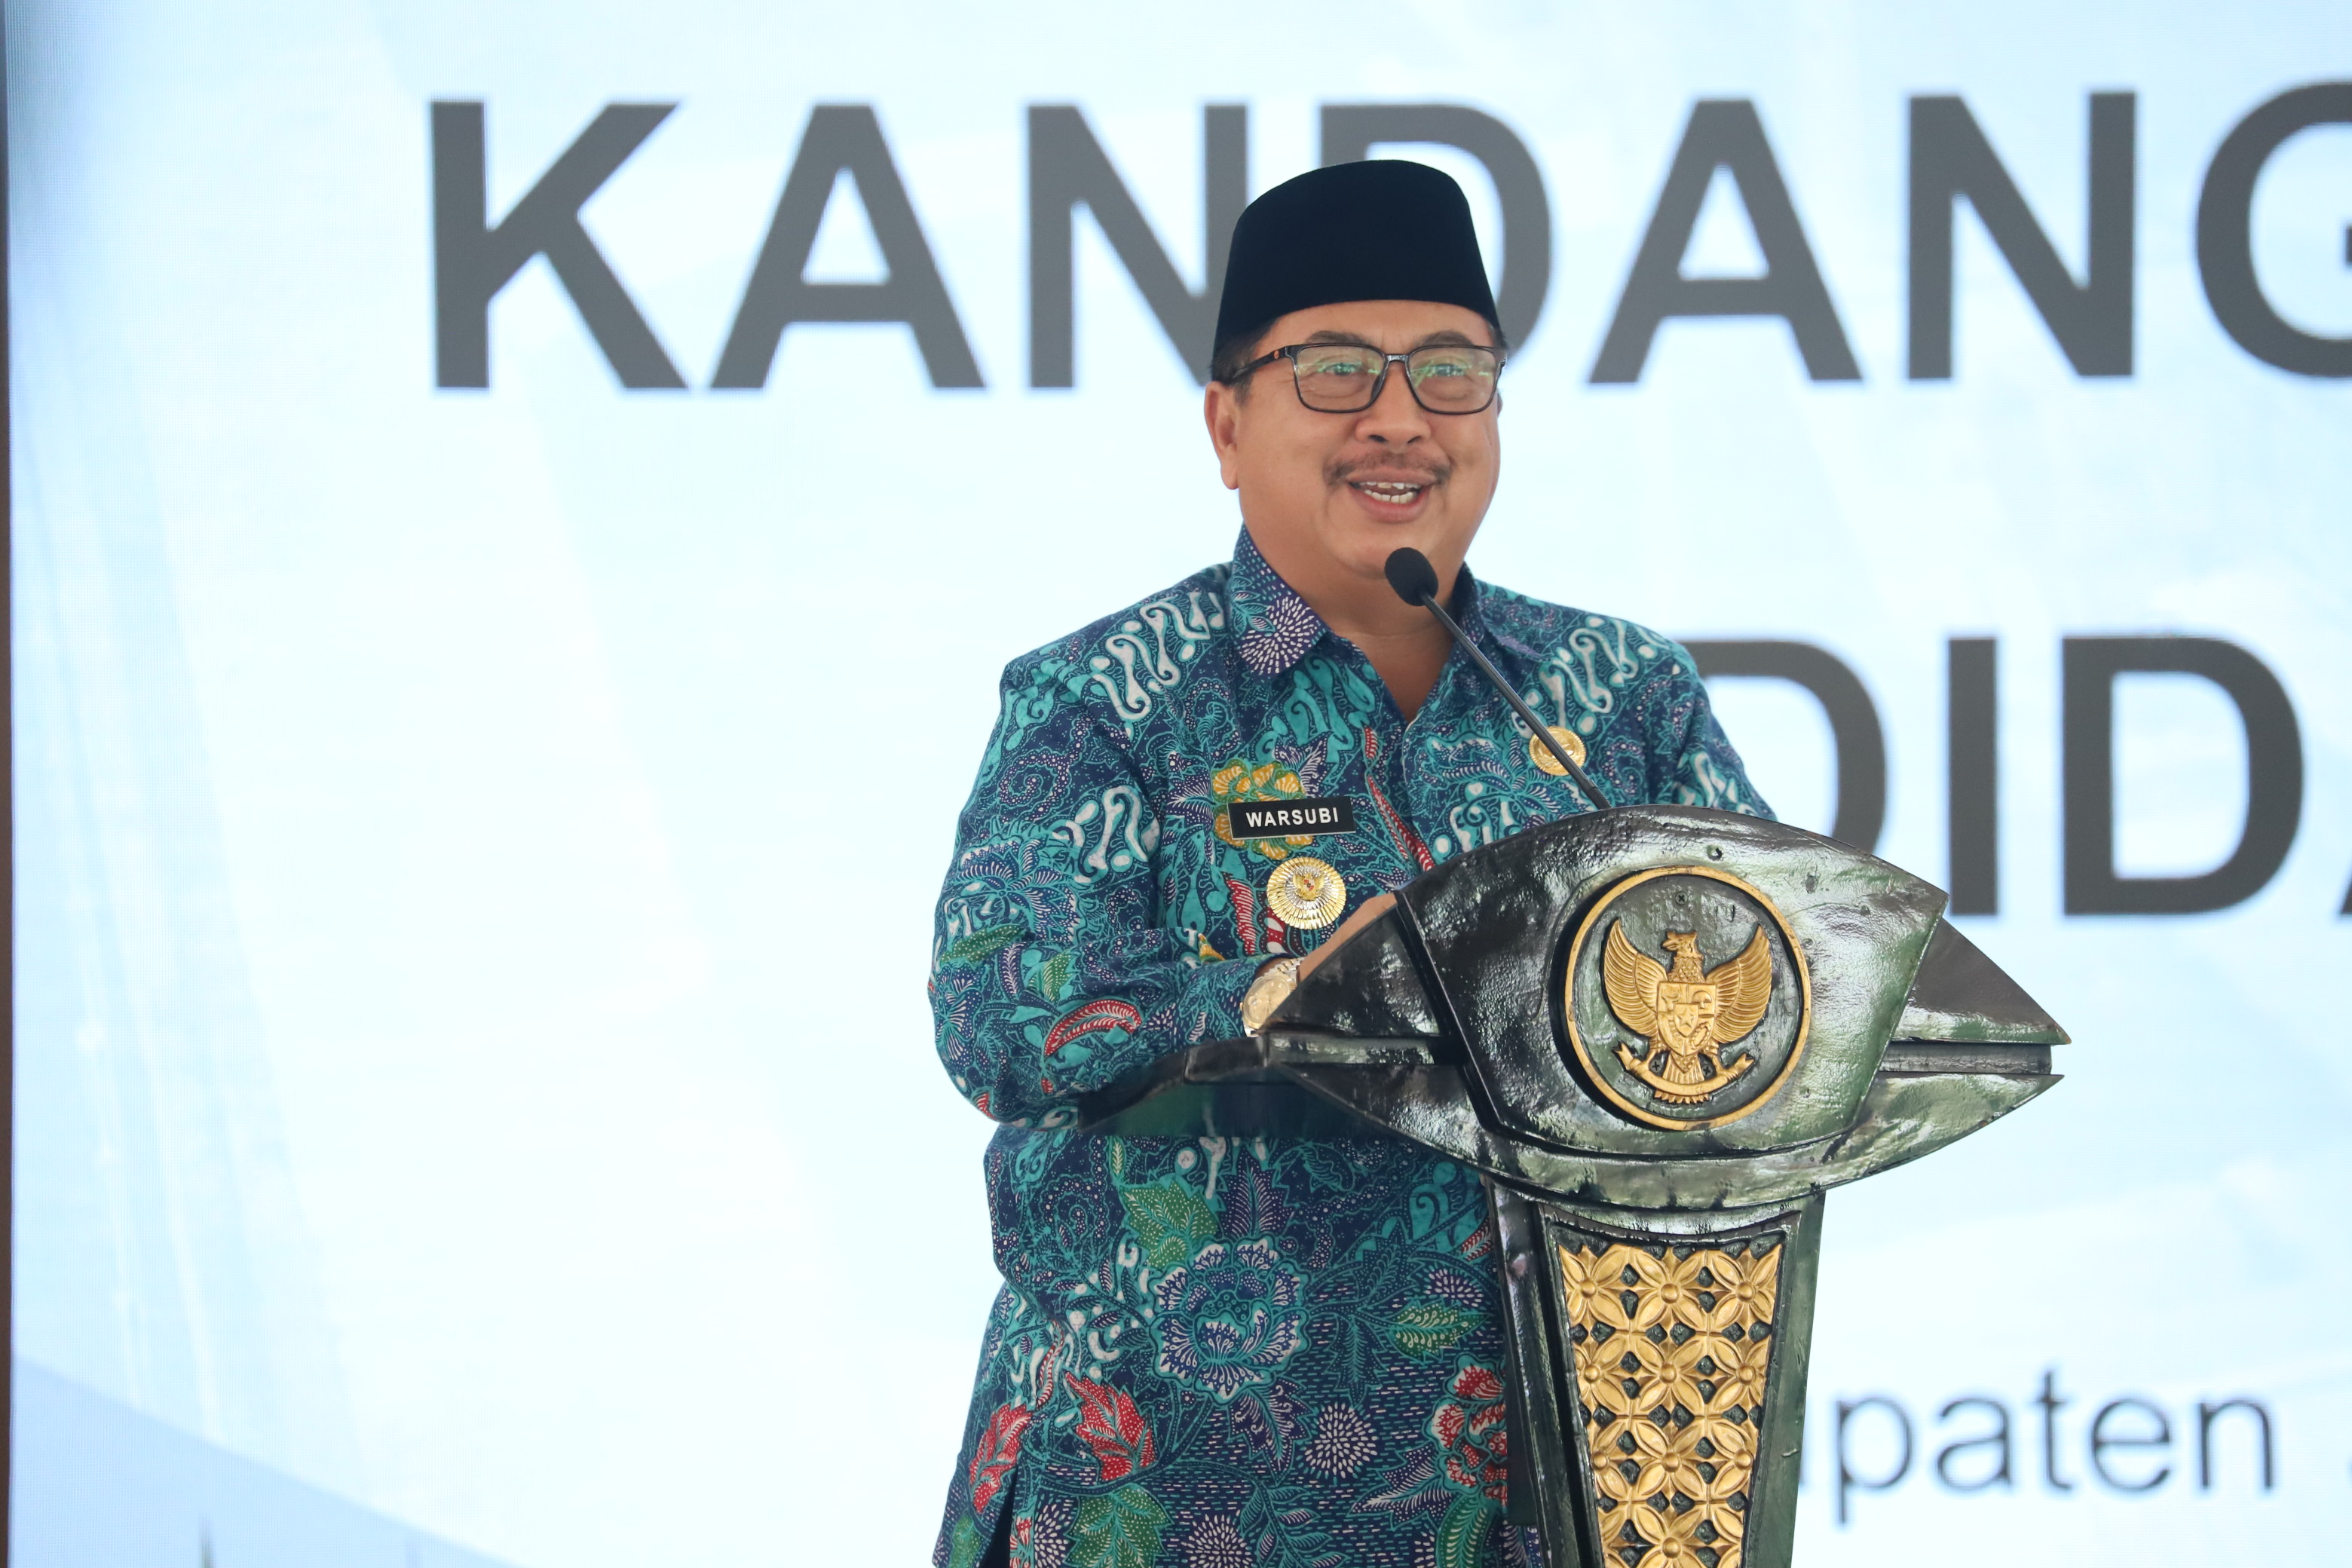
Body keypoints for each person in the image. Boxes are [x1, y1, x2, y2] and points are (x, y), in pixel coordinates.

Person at [928, 159, 1770, 1568]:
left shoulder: (1620, 696)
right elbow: (997, 1016)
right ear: (1227, 423)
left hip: (1555, 1495)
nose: (1399, 419)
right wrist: (1288, 995)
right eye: (1335, 371)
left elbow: (1770, 989)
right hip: (1178, 1493)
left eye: (1451, 371)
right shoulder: (1111, 698)